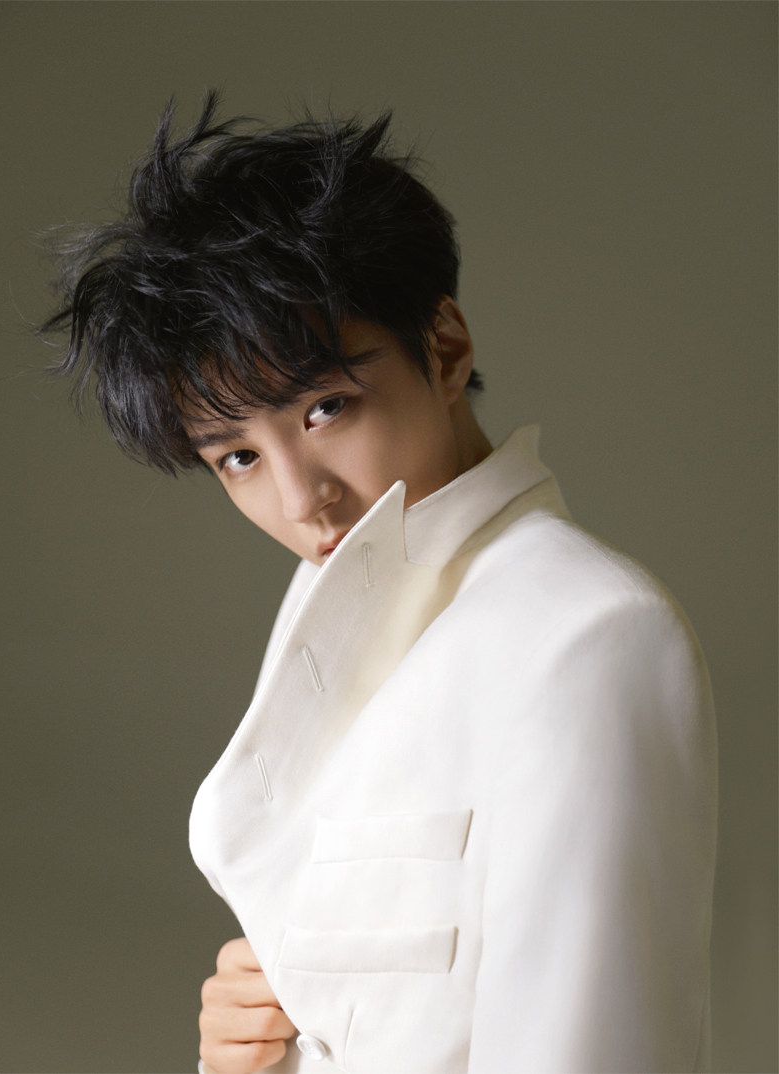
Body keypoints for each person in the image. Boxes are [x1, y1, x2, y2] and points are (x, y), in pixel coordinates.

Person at [42, 93, 717, 1074]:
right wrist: (252, 1052)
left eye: (325, 408)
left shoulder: (586, 634)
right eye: (237, 457)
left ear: (444, 348)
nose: (301, 499)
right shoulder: (340, 607)